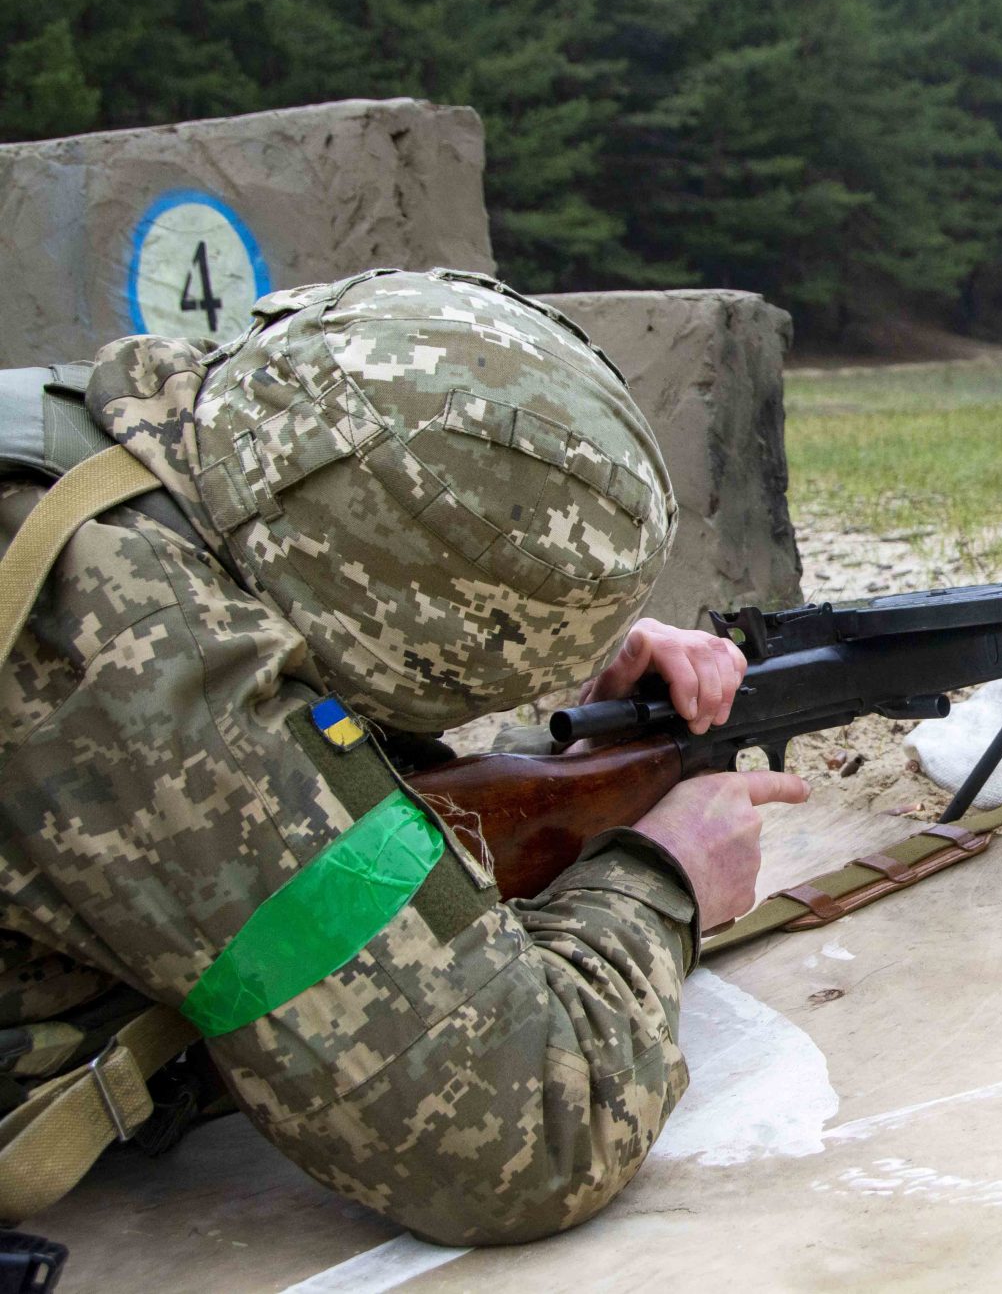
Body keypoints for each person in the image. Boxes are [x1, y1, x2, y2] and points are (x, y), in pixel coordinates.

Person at [0, 267, 807, 1244]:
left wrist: (573, 733)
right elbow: (516, 1138)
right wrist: (664, 875)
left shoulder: (141, 442)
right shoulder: (145, 646)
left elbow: (305, 783)